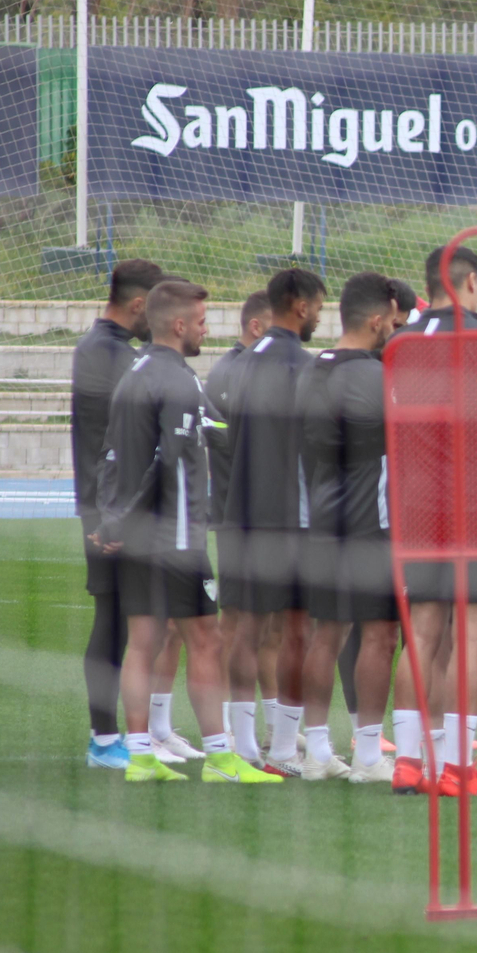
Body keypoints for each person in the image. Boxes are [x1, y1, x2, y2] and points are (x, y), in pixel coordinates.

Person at [93, 280, 281, 784]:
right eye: (200, 321)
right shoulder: (174, 382)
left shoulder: (138, 374)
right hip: (175, 538)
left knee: (143, 641)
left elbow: (111, 456)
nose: (205, 329)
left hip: (139, 536)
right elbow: (163, 461)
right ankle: (221, 759)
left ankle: (140, 757)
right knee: (205, 640)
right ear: (178, 325)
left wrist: (112, 518)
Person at [389, 245, 477, 798]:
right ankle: (458, 770)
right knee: (472, 636)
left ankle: (408, 763)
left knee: (421, 633)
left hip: (416, 501)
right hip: (474, 502)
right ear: (471, 281)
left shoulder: (400, 342)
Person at [296, 272, 402, 785]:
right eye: (393, 321)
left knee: (326, 635)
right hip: (370, 524)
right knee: (380, 636)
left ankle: (316, 750)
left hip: (322, 521)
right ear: (377, 319)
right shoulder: (375, 378)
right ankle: (365, 755)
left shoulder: (310, 372)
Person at [221, 268, 324, 776]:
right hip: (288, 519)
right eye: (319, 307)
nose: (320, 317)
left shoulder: (238, 362)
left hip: (240, 515)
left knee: (243, 629)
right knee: (295, 631)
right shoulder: (299, 366)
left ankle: (241, 748)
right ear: (300, 306)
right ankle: (283, 749)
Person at [71, 259, 164, 769]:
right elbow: (119, 445)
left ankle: (119, 736)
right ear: (137, 305)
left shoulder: (102, 347)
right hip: (110, 514)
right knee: (112, 622)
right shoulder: (112, 355)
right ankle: (104, 740)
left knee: (121, 620)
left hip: (107, 508)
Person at [208, 291, 281, 751]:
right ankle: (231, 729)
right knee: (238, 624)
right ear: (257, 327)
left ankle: (270, 727)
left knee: (269, 625)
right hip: (242, 517)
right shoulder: (234, 373)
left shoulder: (240, 371)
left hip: (255, 516)